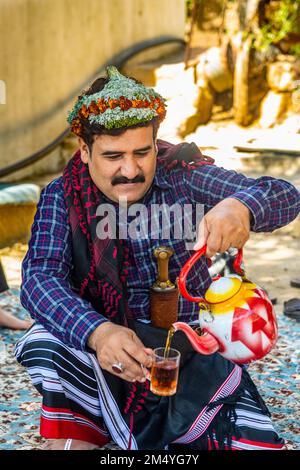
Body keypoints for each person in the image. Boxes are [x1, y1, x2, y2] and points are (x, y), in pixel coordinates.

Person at [15, 67, 300, 451]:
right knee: (46, 340)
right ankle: (84, 427)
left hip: (185, 355)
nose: (130, 170)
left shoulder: (184, 177)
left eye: (141, 152)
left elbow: (283, 193)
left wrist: (242, 206)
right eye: (113, 156)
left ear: (155, 143)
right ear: (84, 150)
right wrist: (98, 333)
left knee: (251, 443)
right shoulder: (61, 196)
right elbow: (39, 279)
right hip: (107, 352)